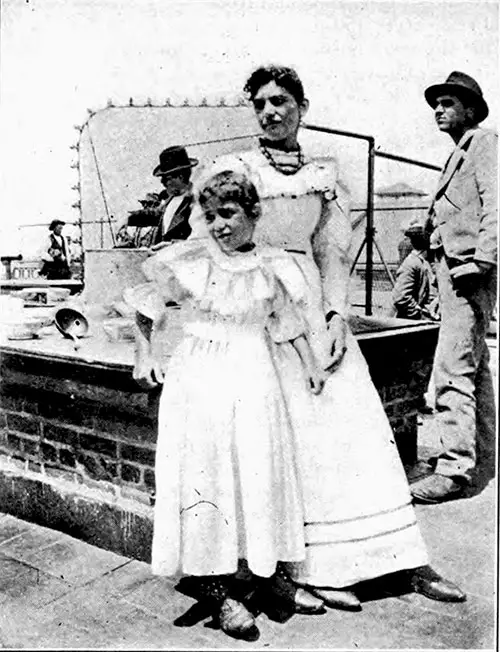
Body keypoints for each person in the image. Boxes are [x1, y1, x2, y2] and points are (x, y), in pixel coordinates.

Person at [186, 64, 465, 611]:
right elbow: (206, 243)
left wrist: (337, 315)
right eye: (261, 103)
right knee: (286, 435)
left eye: (282, 101)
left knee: (350, 424)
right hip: (259, 307)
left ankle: (401, 559)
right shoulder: (233, 168)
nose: (271, 111)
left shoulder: (321, 172)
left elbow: (333, 251)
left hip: (312, 304)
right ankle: (310, 568)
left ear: (302, 107)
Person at [124, 170, 327, 642]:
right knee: (208, 472)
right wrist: (146, 351)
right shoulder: (194, 260)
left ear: (254, 214)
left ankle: (266, 571)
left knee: (258, 467)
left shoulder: (273, 264)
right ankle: (216, 587)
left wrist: (309, 362)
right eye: (210, 215)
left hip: (255, 371)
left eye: (229, 214)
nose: (218, 225)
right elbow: (143, 307)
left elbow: (285, 320)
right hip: (202, 375)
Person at [410, 72, 497, 504]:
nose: (439, 111)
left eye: (447, 104)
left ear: (469, 109)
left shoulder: (484, 143)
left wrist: (483, 260)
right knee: (474, 367)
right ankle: (481, 459)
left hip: (469, 273)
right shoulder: (458, 153)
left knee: (451, 369)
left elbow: (497, 204)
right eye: (436, 105)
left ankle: (453, 469)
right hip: (451, 270)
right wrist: (428, 231)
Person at [115, 146, 197, 248]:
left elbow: (200, 242)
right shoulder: (171, 199)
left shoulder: (198, 202)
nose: (162, 183)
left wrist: (171, 246)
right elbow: (154, 214)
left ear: (180, 176)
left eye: (166, 178)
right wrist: (128, 218)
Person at [392, 218, 439, 321]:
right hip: (414, 324)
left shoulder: (425, 262)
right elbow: (401, 297)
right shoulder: (412, 263)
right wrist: (420, 316)